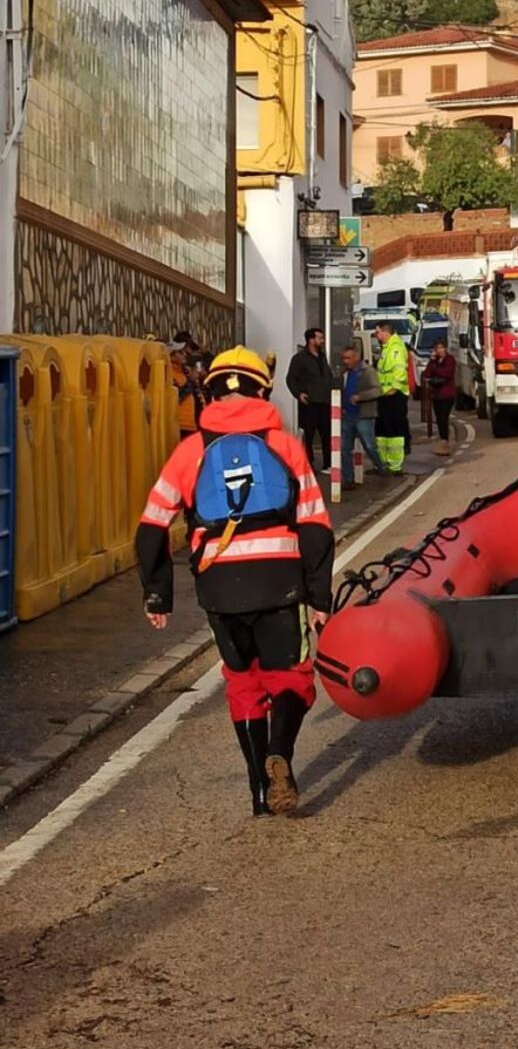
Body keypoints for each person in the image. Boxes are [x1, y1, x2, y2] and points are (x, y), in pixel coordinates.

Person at [136, 346, 333, 817]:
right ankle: (280, 754)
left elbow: (151, 526)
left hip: (219, 588)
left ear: (210, 391)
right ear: (262, 391)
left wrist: (158, 592)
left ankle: (259, 794)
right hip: (279, 581)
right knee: (291, 677)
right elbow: (314, 524)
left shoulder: (190, 451)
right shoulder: (284, 446)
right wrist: (320, 596)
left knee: (243, 683)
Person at [286, 327, 333, 470]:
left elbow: (327, 376)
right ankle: (308, 464)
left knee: (327, 435)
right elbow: (290, 379)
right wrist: (299, 394)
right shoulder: (299, 359)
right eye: (320, 338)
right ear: (311, 340)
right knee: (308, 435)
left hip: (324, 403)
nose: (322, 341)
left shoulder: (322, 357)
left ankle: (328, 464)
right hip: (309, 404)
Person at [339, 344, 385, 478]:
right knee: (345, 449)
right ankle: (348, 478)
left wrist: (360, 397)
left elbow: (377, 390)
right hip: (347, 415)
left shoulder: (368, 371)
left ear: (356, 358)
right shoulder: (344, 373)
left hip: (363, 415)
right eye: (343, 358)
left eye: (348, 358)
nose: (345, 361)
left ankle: (381, 467)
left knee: (369, 446)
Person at [374, 320, 411, 474]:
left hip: (394, 396)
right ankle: (383, 463)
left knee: (394, 431)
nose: (376, 335)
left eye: (377, 332)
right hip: (384, 395)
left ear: (385, 332)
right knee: (382, 431)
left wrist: (392, 390)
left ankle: (395, 466)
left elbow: (399, 374)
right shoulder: (387, 347)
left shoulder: (395, 348)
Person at [423, 338, 459, 457]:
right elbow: (427, 374)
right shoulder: (435, 361)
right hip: (436, 394)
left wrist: (435, 373)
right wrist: (432, 362)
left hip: (447, 394)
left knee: (444, 417)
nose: (440, 350)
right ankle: (443, 439)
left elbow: (447, 373)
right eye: (437, 348)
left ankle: (445, 441)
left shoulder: (450, 360)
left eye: (441, 348)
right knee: (439, 418)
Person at [168, 340, 201, 436]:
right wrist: (191, 380)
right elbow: (177, 397)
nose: (185, 355)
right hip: (180, 425)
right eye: (180, 352)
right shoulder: (168, 373)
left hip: (190, 424)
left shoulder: (183, 371)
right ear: (171, 356)